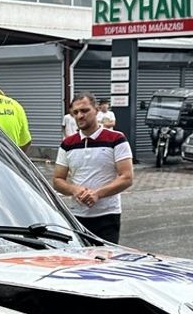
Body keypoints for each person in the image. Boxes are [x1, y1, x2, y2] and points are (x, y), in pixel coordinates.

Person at [53, 92, 133, 243]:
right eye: (75, 112)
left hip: (107, 215)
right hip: (77, 216)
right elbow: (57, 180)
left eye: (84, 110)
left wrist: (98, 194)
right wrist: (74, 190)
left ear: (96, 110)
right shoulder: (68, 144)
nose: (80, 116)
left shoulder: (116, 139)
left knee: (104, 261)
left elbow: (127, 177)